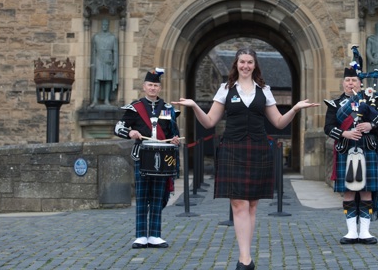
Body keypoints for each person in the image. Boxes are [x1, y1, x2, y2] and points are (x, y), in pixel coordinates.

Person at [173, 48, 318, 270]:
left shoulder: (265, 91)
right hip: (232, 148)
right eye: (242, 62)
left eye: (250, 62)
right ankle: (245, 259)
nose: (246, 66)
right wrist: (194, 106)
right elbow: (209, 121)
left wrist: (296, 108)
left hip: (258, 148)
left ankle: (246, 257)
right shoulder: (225, 89)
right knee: (238, 203)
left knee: (251, 205)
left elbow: (279, 122)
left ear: (254, 65)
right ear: (236, 64)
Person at [324, 61, 378, 245]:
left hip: (367, 148)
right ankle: (351, 232)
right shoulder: (335, 104)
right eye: (347, 80)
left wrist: (371, 125)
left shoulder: (371, 100)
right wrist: (344, 133)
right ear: (343, 83)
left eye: (354, 80)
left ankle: (365, 232)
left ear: (360, 83)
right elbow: (328, 127)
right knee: (348, 192)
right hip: (346, 149)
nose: (351, 83)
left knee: (366, 191)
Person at [113, 68, 181, 249]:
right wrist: (130, 132)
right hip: (141, 156)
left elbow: (173, 133)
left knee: (158, 196)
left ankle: (156, 235)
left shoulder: (167, 109)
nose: (153, 88)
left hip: (162, 156)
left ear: (159, 88)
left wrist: (174, 139)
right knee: (142, 196)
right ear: (144, 87)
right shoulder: (135, 108)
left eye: (156, 85)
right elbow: (118, 128)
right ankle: (141, 235)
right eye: (150, 85)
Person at [90, 18, 118, 107]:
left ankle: (106, 100)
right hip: (99, 59)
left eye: (106, 25)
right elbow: (93, 51)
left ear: (108, 26)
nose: (105, 26)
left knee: (108, 80)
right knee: (97, 80)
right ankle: (95, 99)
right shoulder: (97, 37)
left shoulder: (112, 37)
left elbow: (115, 51)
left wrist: (115, 63)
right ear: (101, 25)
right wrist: (93, 63)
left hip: (109, 60)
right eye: (103, 25)